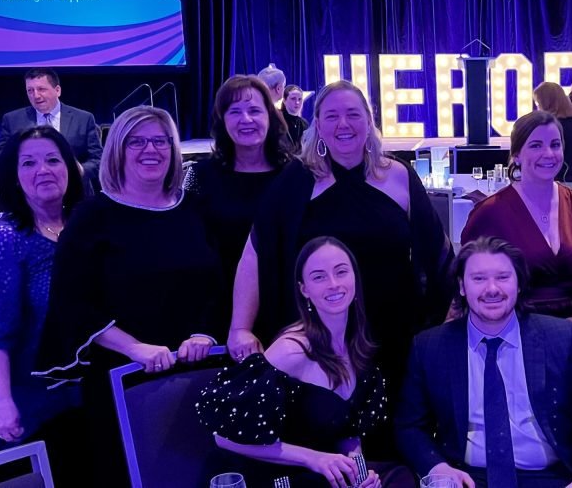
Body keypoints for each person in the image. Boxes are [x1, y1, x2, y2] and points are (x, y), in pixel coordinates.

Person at [228, 80, 454, 401]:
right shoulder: (298, 179)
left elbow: (438, 255)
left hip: (392, 332)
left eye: (353, 114)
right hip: (321, 340)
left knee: (395, 424)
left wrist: (456, 315)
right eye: (332, 116)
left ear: (369, 121)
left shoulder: (400, 175)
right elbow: (256, 251)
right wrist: (240, 327)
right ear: (318, 125)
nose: (343, 124)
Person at [34, 106, 224, 487]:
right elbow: (72, 302)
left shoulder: (195, 209)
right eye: (136, 141)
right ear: (117, 150)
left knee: (199, 470)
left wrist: (204, 333)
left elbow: (220, 283)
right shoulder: (91, 217)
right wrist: (136, 348)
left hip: (197, 370)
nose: (150, 150)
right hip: (122, 377)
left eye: (160, 141)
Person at [395, 237, 572, 488]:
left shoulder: (560, 338)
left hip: (553, 478)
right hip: (466, 478)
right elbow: (409, 426)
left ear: (519, 284)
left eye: (503, 277)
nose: (492, 289)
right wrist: (438, 468)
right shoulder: (430, 347)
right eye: (479, 278)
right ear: (462, 286)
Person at [199, 237, 411, 488]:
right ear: (304, 290)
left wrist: (360, 474)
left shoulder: (357, 346)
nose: (333, 284)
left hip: (321, 476)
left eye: (341, 272)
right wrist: (314, 459)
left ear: (355, 277)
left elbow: (348, 432)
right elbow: (223, 438)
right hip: (272, 478)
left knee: (401, 477)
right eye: (319, 277)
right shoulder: (291, 351)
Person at [0, 127, 87, 486]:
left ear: (70, 167)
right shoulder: (6, 241)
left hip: (85, 396)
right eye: (29, 163)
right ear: (14, 178)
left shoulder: (83, 228)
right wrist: (2, 402)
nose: (43, 170)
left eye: (52, 159)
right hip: (30, 407)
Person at [460, 111, 572, 337]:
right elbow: (468, 282)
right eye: (536, 145)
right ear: (516, 155)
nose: (548, 153)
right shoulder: (490, 212)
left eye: (555, 144)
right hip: (512, 335)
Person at [184, 75, 292, 332]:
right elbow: (190, 247)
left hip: (285, 308)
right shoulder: (199, 175)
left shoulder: (294, 175)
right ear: (222, 120)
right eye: (234, 112)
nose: (246, 119)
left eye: (254, 110)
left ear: (270, 116)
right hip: (219, 309)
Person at [0, 68, 102, 180]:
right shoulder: (12, 120)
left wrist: (80, 170)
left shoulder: (83, 119)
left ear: (57, 90)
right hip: (28, 187)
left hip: (75, 186)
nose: (36, 96)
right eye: (30, 90)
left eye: (41, 89)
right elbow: (0, 157)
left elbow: (98, 159)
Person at [533, 82, 572, 182]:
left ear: (547, 104)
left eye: (538, 104)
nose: (538, 109)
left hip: (562, 181)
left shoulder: (553, 127)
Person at [283, 84, 310, 151]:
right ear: (284, 100)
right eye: (293, 99)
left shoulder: (305, 124)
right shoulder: (277, 121)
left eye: (300, 99)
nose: (297, 102)